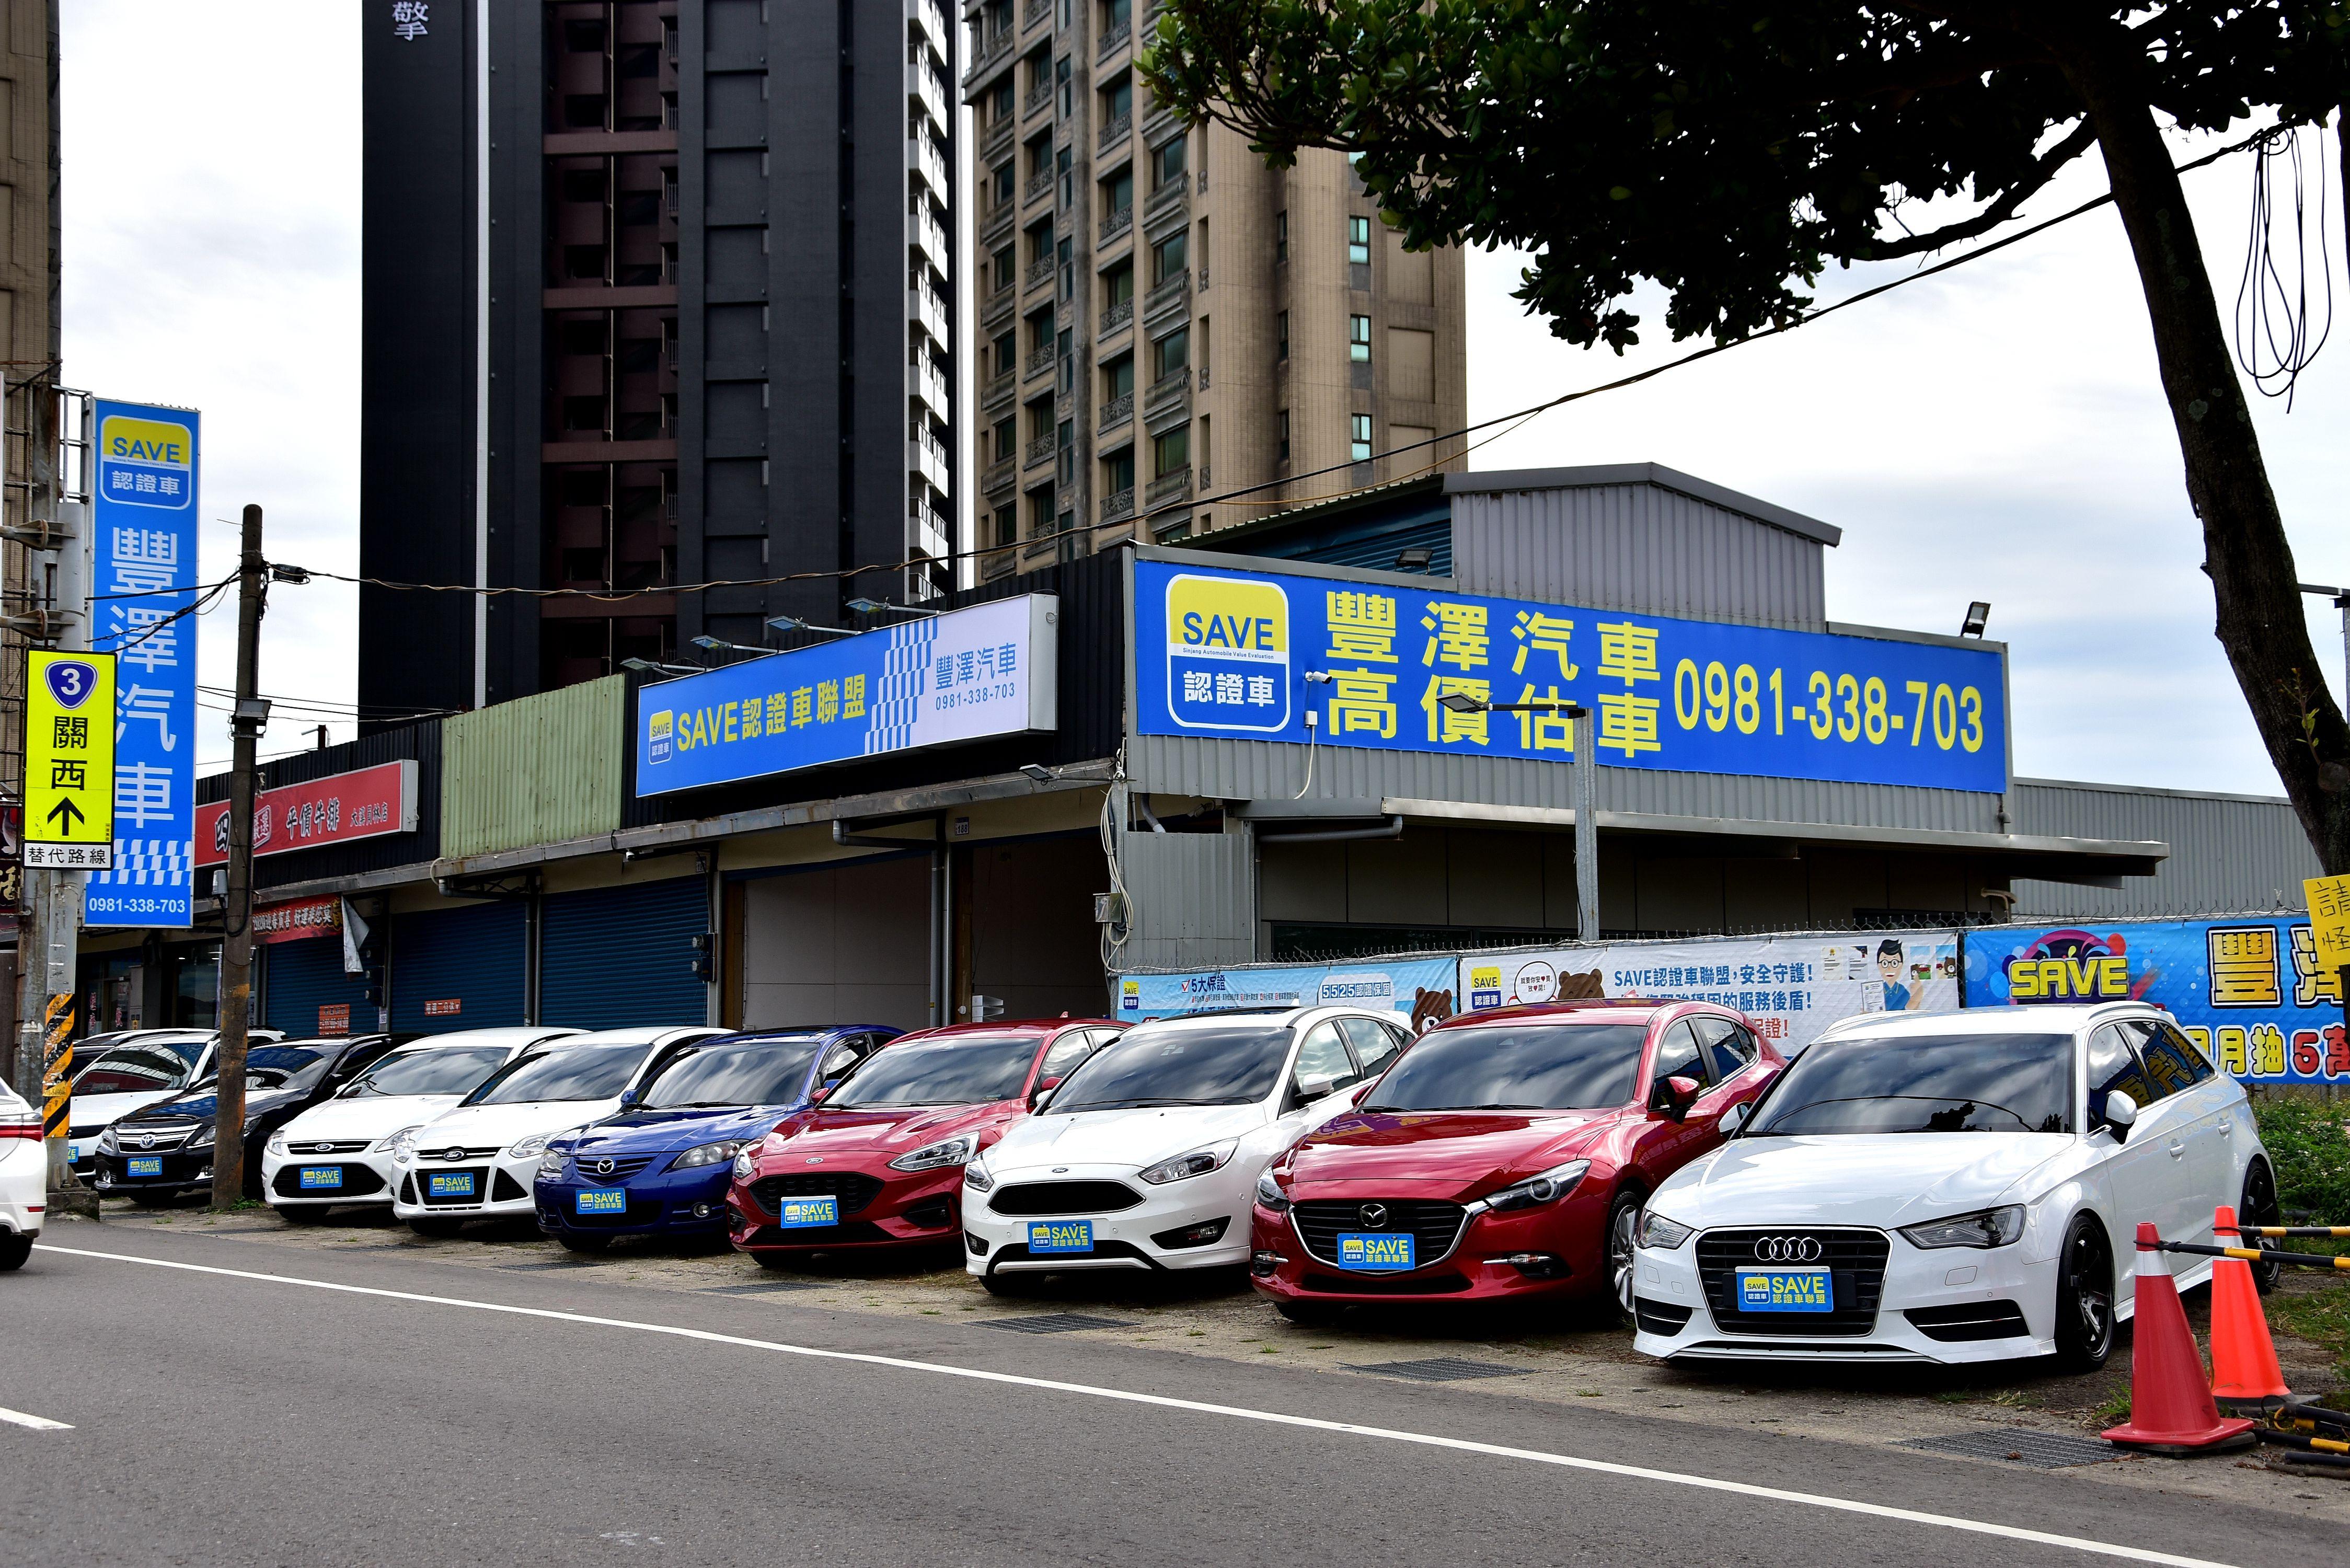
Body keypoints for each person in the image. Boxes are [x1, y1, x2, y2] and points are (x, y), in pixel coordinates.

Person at [1875, 939, 1924, 1011]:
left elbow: (1911, 1006)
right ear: (1878, 965)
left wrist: (1918, 995)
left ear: (1901, 965)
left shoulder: (1901, 989)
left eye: (1894, 963)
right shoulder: (1878, 990)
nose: (1889, 968)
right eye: (1884, 963)